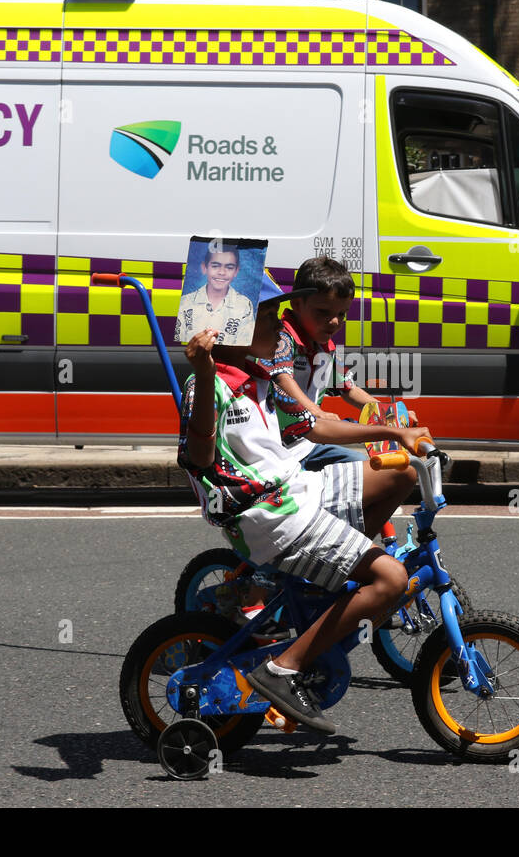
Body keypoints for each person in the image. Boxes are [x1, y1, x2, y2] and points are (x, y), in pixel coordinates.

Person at [179, 271, 431, 734]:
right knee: (391, 579)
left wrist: (393, 432)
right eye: (271, 318)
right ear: (233, 327)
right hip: (270, 517)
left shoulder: (261, 376)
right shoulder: (208, 385)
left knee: (400, 475)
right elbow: (199, 456)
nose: (281, 328)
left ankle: (330, 586)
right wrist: (202, 369)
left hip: (297, 490)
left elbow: (315, 425)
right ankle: (281, 671)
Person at [261, 255, 380, 473]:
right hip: (274, 452)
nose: (334, 321)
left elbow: (348, 389)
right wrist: (317, 411)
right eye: (323, 312)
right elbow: (282, 377)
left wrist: (389, 414)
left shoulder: (324, 346)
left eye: (341, 314)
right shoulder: (282, 337)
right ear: (297, 304)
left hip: (308, 446)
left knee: (371, 472)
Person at [174, 247, 255, 345]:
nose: (222, 272)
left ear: (236, 271)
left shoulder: (244, 305)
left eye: (229, 267)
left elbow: (243, 345)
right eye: (215, 266)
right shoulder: (185, 303)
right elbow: (179, 345)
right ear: (204, 268)